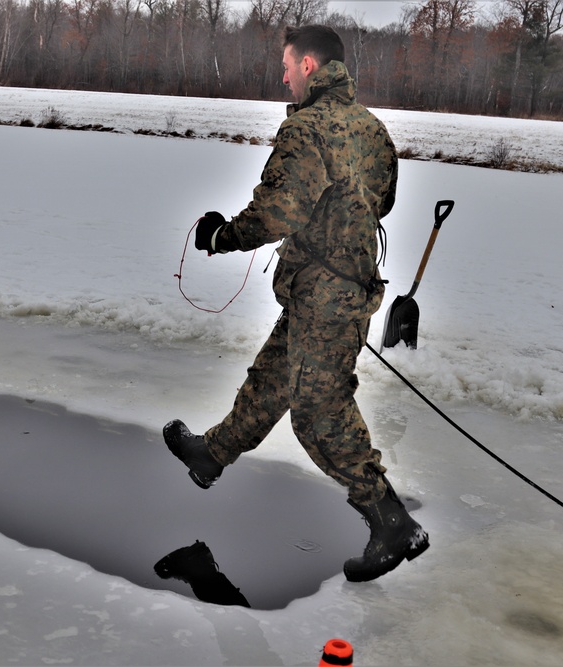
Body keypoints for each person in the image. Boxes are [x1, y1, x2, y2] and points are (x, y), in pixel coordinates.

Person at [163, 24, 428, 583]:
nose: (282, 74)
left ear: (309, 66)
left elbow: (277, 211)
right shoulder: (372, 129)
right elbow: (382, 202)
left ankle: (391, 520)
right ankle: (212, 454)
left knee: (317, 410)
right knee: (275, 373)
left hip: (328, 295)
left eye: (286, 64)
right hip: (339, 286)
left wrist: (221, 236)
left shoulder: (306, 128)